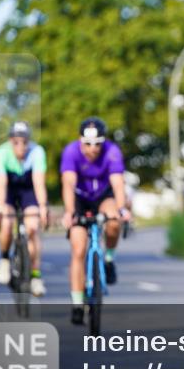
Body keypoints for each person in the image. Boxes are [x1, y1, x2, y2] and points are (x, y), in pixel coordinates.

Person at [60, 117, 132, 325]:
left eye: (97, 143)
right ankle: (76, 302)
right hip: (80, 199)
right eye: (88, 144)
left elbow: (118, 184)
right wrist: (69, 212)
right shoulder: (71, 152)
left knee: (113, 221)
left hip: (103, 196)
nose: (93, 149)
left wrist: (121, 209)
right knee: (79, 247)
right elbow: (68, 183)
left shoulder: (112, 151)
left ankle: (109, 258)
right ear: (80, 140)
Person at [0, 121, 49, 296]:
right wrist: (0, 208)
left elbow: (39, 183)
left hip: (28, 189)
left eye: (25, 142)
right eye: (17, 142)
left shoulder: (37, 152)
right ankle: (4, 259)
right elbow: (1, 185)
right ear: (10, 141)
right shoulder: (1, 153)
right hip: (9, 189)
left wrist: (43, 207)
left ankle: (36, 276)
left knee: (32, 227)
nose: (21, 146)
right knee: (7, 223)